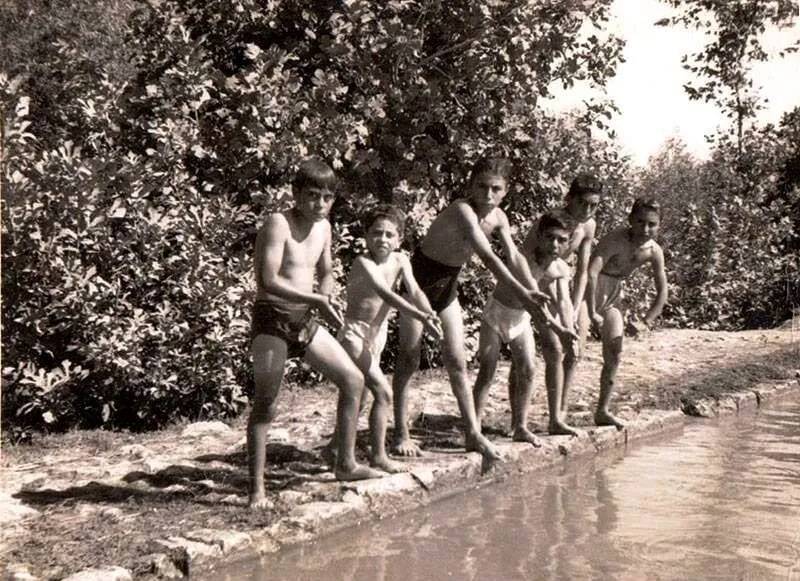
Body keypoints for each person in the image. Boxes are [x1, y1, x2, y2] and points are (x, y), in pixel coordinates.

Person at [391, 156, 551, 461]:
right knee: (409, 358)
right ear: (470, 184)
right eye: (482, 186)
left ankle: (473, 434)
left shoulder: (499, 217)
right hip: (419, 282)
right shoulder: (461, 210)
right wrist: (524, 295)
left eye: (495, 189)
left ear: (506, 191)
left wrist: (531, 287)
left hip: (447, 285)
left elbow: (514, 255)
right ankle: (401, 432)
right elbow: (489, 258)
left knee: (458, 363)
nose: (487, 195)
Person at [248, 158, 382, 509]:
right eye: (311, 196)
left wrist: (326, 292)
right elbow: (268, 281)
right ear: (295, 194)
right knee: (267, 403)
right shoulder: (279, 223)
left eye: (326, 198)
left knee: (354, 380)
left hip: (303, 319)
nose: (319, 204)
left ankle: (346, 463)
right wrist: (316, 300)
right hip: (272, 319)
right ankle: (257, 490)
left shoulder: (324, 227)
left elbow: (325, 270)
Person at [334, 204, 443, 473]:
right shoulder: (363, 263)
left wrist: (430, 314)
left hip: (377, 335)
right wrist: (419, 316)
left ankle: (334, 448)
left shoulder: (401, 260)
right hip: (354, 334)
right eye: (376, 233)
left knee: (362, 398)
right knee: (383, 392)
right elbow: (386, 294)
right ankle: (379, 455)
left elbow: (414, 290)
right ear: (366, 236)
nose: (382, 239)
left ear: (399, 239)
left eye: (389, 235)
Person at [473, 212, 579, 445]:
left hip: (520, 318)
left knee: (528, 369)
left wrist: (569, 330)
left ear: (568, 243)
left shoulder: (560, 268)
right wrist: (559, 328)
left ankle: (521, 425)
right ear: (539, 237)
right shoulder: (523, 259)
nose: (554, 245)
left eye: (562, 240)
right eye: (550, 238)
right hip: (497, 313)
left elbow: (563, 301)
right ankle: (475, 428)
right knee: (487, 370)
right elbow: (535, 304)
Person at [522, 174, 602, 418]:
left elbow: (584, 269)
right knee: (554, 348)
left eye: (593, 205)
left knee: (576, 344)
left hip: (563, 282)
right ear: (569, 199)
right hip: (538, 281)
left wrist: (576, 307)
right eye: (582, 203)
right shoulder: (551, 220)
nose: (587, 210)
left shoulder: (589, 225)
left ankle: (561, 409)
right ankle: (525, 414)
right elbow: (524, 257)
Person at [586, 197, 668, 429]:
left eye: (652, 224)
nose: (645, 229)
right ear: (630, 219)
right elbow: (591, 273)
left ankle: (602, 410)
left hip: (613, 293)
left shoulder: (654, 250)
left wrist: (646, 321)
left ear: (659, 225)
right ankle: (557, 415)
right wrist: (591, 311)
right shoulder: (615, 239)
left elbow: (663, 291)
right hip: (589, 289)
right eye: (640, 222)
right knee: (572, 350)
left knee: (615, 351)